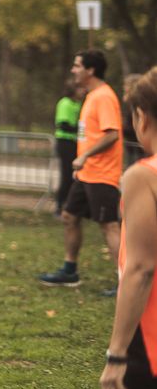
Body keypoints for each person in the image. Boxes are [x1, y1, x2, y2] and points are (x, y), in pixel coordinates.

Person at [100, 65, 157, 389]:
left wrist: (116, 355)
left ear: (142, 117)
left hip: (152, 341)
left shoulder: (144, 176)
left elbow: (139, 269)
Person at [40, 50, 123, 289]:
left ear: (90, 70)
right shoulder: (92, 96)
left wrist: (85, 155)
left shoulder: (104, 97)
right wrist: (82, 162)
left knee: (109, 226)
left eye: (77, 66)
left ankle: (125, 281)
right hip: (87, 172)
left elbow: (113, 134)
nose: (73, 70)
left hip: (102, 174)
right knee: (69, 216)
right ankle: (69, 271)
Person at [53, 79, 84, 216]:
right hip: (65, 142)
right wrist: (81, 129)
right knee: (66, 175)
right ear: (74, 90)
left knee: (74, 176)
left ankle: (72, 206)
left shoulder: (78, 104)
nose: (83, 91)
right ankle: (59, 206)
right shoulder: (65, 103)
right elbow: (63, 125)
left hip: (75, 142)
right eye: (80, 89)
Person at [123, 73, 145, 170]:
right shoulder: (130, 102)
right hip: (131, 145)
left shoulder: (137, 103)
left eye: (126, 85)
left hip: (138, 146)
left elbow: (135, 126)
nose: (124, 87)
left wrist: (120, 128)